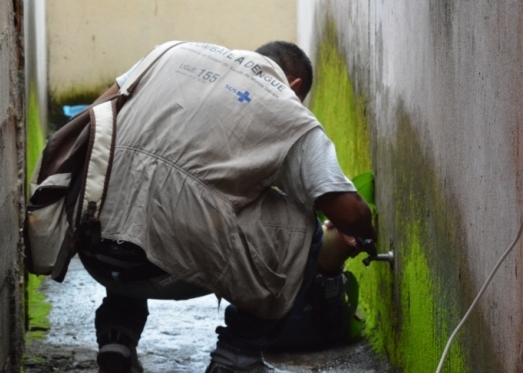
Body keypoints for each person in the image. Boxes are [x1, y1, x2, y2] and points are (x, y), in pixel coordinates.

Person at [76, 40, 376, 373]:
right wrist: (366, 232)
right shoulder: (285, 108)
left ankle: (116, 336)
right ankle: (237, 357)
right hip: (171, 270)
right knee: (304, 228)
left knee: (131, 190)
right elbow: (350, 213)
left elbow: (92, 122)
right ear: (295, 87)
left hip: (95, 252)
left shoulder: (169, 54)